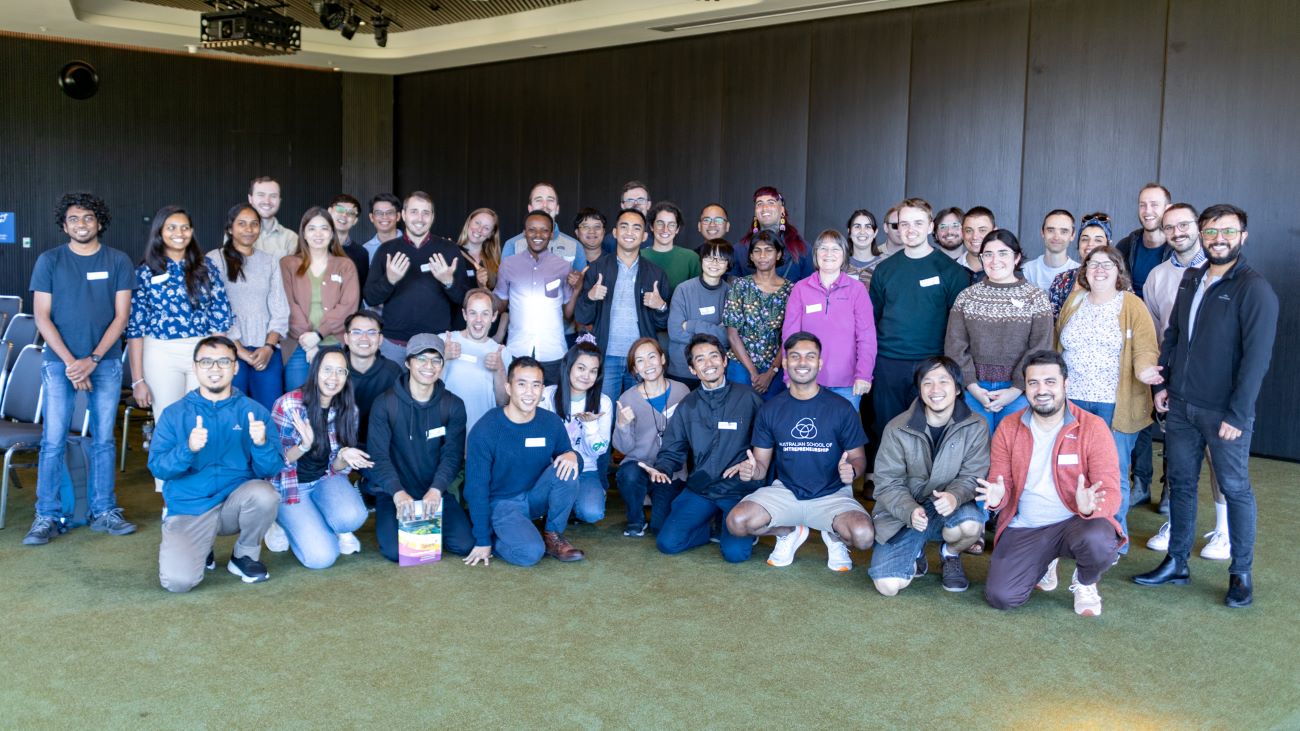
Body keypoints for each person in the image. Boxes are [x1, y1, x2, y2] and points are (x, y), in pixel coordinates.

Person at [1134, 204, 1278, 608]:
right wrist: (1163, 383)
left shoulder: (1254, 289)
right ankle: (1176, 562)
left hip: (1224, 413)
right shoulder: (1192, 278)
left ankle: (1240, 574)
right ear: (1202, 234)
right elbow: (1174, 335)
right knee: (1180, 484)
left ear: (1243, 236)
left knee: (1235, 488)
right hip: (1181, 405)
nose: (1219, 239)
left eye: (1228, 232)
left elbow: (1257, 360)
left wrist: (1238, 414)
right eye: (1212, 232)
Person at [23, 193, 136, 545]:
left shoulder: (118, 260)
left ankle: (104, 511)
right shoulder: (49, 261)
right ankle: (47, 515)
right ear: (64, 225)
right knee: (52, 440)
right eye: (73, 218)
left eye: (88, 218)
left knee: (103, 440)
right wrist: (74, 363)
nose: (81, 224)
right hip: (60, 365)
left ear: (99, 222)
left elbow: (122, 317)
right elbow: (42, 317)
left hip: (105, 362)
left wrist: (93, 360)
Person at [979, 350, 1123, 616]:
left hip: (1076, 523)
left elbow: (1112, 492)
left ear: (1066, 384)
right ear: (1025, 387)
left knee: (1099, 540)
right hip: (1027, 525)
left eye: (1050, 382)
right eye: (1033, 383)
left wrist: (1090, 508)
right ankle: (1045, 562)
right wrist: (998, 498)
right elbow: (1000, 482)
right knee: (1001, 597)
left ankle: (1085, 582)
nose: (1041, 390)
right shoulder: (1009, 427)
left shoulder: (1092, 427)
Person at [727, 332, 874, 571]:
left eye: (810, 356)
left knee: (863, 536)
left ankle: (833, 534)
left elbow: (858, 457)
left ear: (820, 363)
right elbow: (761, 465)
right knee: (737, 522)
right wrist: (752, 471)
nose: (802, 362)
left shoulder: (841, 408)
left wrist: (853, 471)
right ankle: (788, 532)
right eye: (795, 356)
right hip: (786, 492)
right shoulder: (770, 409)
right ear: (785, 363)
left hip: (831, 494)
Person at [152, 336, 283, 592]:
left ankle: (244, 555)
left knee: (265, 494)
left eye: (223, 361)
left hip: (234, 505)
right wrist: (188, 449)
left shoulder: (254, 412)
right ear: (195, 367)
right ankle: (203, 547)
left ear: (235, 367)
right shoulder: (174, 414)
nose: (215, 368)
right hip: (190, 507)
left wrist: (261, 444)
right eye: (206, 362)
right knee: (177, 583)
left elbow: (270, 470)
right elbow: (159, 468)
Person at [1055, 245, 1162, 553]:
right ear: (1085, 271)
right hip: (1072, 402)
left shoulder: (1131, 304)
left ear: (1119, 271)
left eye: (1107, 264)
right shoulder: (1074, 301)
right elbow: (1057, 343)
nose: (1099, 269)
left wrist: (1145, 370)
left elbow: (1146, 347)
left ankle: (1114, 539)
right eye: (1093, 263)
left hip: (1114, 405)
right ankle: (1073, 535)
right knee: (1071, 469)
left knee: (1112, 472)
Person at [127, 205, 233, 492]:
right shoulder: (145, 272)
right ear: (159, 232)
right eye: (171, 227)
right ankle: (169, 493)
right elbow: (135, 329)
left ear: (192, 231)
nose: (179, 233)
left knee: (203, 419)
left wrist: (220, 362)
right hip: (161, 353)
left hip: (202, 353)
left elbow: (220, 318)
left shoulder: (206, 267)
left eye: (185, 227)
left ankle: (200, 489)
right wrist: (137, 380)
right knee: (168, 422)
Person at [869, 357, 989, 595]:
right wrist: (909, 510)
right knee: (888, 586)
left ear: (957, 389)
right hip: (907, 511)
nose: (935, 389)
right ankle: (917, 550)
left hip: (950, 507)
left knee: (970, 526)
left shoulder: (976, 425)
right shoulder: (897, 428)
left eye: (943, 381)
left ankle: (950, 554)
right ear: (920, 389)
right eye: (927, 382)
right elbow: (887, 483)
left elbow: (972, 475)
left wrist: (954, 496)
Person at [640, 334, 764, 561]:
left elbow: (766, 445)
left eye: (714, 356)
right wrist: (662, 469)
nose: (709, 364)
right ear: (692, 369)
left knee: (735, 554)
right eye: (700, 359)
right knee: (667, 543)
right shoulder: (687, 406)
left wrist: (754, 467)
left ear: (724, 361)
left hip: (738, 490)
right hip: (702, 488)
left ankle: (734, 526)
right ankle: (708, 527)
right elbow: (672, 450)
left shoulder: (749, 398)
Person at [464, 357, 586, 567]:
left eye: (536, 385)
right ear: (508, 388)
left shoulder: (550, 422)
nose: (529, 392)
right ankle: (496, 537)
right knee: (530, 553)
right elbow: (476, 488)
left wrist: (573, 455)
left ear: (542, 390)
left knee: (568, 468)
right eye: (522, 384)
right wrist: (483, 540)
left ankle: (553, 536)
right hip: (502, 504)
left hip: (534, 497)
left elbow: (572, 463)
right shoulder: (486, 429)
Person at [367, 333, 476, 563]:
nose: (429, 366)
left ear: (442, 365)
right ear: (408, 363)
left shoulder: (453, 405)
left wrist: (437, 490)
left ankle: (441, 523)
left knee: (464, 544)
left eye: (436, 360)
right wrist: (397, 492)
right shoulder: (385, 404)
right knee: (395, 551)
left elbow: (452, 455)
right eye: (421, 359)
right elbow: (378, 456)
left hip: (434, 493)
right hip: (395, 493)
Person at [868, 198, 967, 444]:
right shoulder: (884, 270)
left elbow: (958, 327)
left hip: (932, 365)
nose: (910, 229)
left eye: (918, 223)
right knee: (886, 430)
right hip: (889, 364)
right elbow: (873, 318)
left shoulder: (951, 271)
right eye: (904, 224)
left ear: (931, 226)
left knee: (929, 432)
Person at [267, 348, 371, 568]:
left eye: (340, 371)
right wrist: (303, 446)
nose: (333, 378)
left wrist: (344, 455)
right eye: (327, 370)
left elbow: (336, 468)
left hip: (325, 478)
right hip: (290, 485)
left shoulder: (349, 409)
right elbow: (272, 462)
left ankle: (322, 521)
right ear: (315, 371)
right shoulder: (288, 404)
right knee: (321, 558)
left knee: (353, 516)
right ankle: (279, 522)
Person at [1143, 203, 1214, 525]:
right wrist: (1161, 380)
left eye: (1184, 225)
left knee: (1217, 457)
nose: (1177, 232)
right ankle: (1173, 512)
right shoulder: (1157, 276)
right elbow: (1155, 334)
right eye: (1170, 227)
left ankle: (1224, 528)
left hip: (1212, 379)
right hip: (1174, 376)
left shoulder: (1218, 270)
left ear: (1198, 226)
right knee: (1177, 448)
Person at [944, 229, 1054, 433]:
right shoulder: (967, 297)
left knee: (1012, 448)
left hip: (1019, 392)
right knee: (976, 448)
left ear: (1017, 257)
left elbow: (1041, 347)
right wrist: (973, 386)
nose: (995, 260)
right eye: (988, 254)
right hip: (974, 390)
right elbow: (955, 345)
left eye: (1003, 253)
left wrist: (1016, 388)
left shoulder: (1036, 298)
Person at [575, 209, 671, 402]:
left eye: (636, 228)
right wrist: (590, 297)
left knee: (641, 412)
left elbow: (662, 324)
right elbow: (582, 317)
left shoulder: (656, 273)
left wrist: (661, 306)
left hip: (642, 359)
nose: (629, 232)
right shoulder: (597, 269)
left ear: (644, 236)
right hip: (607, 355)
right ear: (615, 232)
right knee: (604, 410)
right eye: (624, 226)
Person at [363, 191, 469, 362]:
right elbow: (370, 298)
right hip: (394, 344)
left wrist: (448, 282)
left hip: (436, 344)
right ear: (404, 215)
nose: (420, 218)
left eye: (426, 212)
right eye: (414, 212)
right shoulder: (386, 250)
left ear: (433, 217)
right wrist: (389, 280)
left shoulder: (449, 249)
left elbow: (464, 300)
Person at [206, 203, 288, 410]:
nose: (249, 229)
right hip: (227, 348)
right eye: (241, 224)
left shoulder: (270, 261)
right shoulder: (214, 259)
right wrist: (239, 350)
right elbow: (213, 309)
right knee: (231, 411)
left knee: (268, 410)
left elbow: (280, 308)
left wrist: (269, 347)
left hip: (265, 349)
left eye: (254, 224)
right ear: (230, 228)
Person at [781, 229, 875, 410]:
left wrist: (864, 374)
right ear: (815, 254)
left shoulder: (857, 290)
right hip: (807, 379)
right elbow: (789, 336)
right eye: (823, 248)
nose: (828, 254)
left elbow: (866, 337)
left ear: (844, 254)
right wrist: (788, 374)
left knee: (844, 428)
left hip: (847, 383)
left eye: (835, 249)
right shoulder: (800, 289)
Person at [613, 338, 690, 536]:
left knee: (660, 527)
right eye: (640, 361)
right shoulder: (627, 398)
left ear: (662, 359)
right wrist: (622, 424)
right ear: (635, 369)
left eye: (652, 357)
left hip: (670, 470)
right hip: (639, 465)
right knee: (628, 474)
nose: (647, 364)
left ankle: (652, 499)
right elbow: (624, 448)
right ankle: (635, 519)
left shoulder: (682, 391)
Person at [279, 207, 361, 390]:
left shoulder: (345, 265)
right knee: (297, 398)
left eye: (324, 228)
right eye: (312, 228)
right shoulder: (288, 264)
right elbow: (288, 305)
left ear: (332, 234)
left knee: (332, 399)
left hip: (334, 343)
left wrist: (318, 335)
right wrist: (308, 343)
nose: (318, 234)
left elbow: (348, 306)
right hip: (297, 345)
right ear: (303, 234)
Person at [495, 211, 578, 385]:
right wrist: (483, 289)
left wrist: (577, 288)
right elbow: (501, 304)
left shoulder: (563, 267)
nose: (538, 235)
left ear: (551, 233)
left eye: (544, 230)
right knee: (517, 399)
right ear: (524, 232)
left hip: (553, 351)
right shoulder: (508, 265)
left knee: (552, 399)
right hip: (517, 349)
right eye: (532, 230)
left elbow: (568, 314)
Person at [539, 338, 612, 525]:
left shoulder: (603, 403)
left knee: (592, 513)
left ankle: (574, 501)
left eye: (593, 371)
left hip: (586, 469)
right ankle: (561, 502)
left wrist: (590, 426)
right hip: (551, 468)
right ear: (568, 366)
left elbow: (599, 450)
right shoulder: (547, 395)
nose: (586, 376)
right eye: (581, 368)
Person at [722, 231, 792, 402]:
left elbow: (789, 336)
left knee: (773, 414)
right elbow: (732, 334)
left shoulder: (791, 290)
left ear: (778, 254)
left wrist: (771, 373)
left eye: (768, 250)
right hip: (741, 366)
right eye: (757, 251)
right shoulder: (740, 285)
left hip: (775, 367)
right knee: (740, 413)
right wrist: (753, 373)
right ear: (751, 256)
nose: (762, 256)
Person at [442, 289, 510, 433]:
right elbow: (425, 389)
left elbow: (503, 402)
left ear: (494, 316)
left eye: (485, 313)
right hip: (446, 431)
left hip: (482, 433)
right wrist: (443, 357)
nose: (478, 320)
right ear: (464, 314)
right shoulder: (444, 341)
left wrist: (499, 369)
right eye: (473, 313)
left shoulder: (502, 352)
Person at [667, 240, 732, 389]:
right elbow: (675, 332)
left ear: (728, 264)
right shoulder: (683, 290)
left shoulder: (731, 293)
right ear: (701, 260)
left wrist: (692, 325)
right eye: (709, 257)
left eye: (721, 259)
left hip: (715, 370)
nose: (714, 263)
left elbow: (728, 337)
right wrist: (715, 331)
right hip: (683, 369)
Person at [340, 310, 403, 449]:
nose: (364, 338)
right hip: (337, 444)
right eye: (356, 332)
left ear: (380, 339)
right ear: (346, 338)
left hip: (379, 446)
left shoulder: (392, 372)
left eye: (371, 332)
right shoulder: (334, 368)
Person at [731, 186, 812, 281]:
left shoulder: (802, 248)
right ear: (755, 213)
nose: (765, 208)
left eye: (771, 202)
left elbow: (810, 286)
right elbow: (731, 284)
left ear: (782, 210)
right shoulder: (740, 249)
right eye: (759, 204)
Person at [502, 182, 585, 267]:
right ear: (530, 208)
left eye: (550, 200)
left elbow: (580, 275)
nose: (545, 205)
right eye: (538, 200)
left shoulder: (575, 246)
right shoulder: (512, 245)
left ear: (557, 208)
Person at [1114, 183, 1173, 299]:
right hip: (1129, 309)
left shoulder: (1178, 249)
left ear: (1168, 209)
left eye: (1154, 205)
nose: (1147, 211)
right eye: (1142, 205)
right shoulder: (1125, 246)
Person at [1048, 213, 1111, 317]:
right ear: (1078, 244)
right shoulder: (1061, 280)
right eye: (1085, 239)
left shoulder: (1119, 281)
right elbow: (1052, 322)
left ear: (1108, 245)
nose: (1090, 244)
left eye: (1098, 240)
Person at [642, 201, 702, 290]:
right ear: (651, 226)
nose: (665, 229)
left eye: (671, 225)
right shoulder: (639, 256)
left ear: (677, 229)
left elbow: (697, 294)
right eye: (660, 223)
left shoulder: (691, 258)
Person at [1021, 209, 1079, 292]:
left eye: (1064, 232)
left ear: (1072, 235)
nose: (1056, 237)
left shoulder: (1080, 273)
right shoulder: (1026, 271)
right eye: (1050, 230)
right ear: (1042, 232)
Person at [248, 176, 297, 259]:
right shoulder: (237, 233)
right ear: (250, 199)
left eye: (273, 196)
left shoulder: (291, 238)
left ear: (279, 201)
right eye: (261, 195)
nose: (267, 201)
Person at [601, 180, 653, 253]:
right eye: (630, 200)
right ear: (622, 205)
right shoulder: (609, 242)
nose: (635, 204)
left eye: (641, 200)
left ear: (648, 205)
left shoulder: (658, 238)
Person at [329, 194, 369, 289]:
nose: (344, 215)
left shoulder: (361, 253)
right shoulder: (315, 246)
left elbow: (360, 289)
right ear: (329, 212)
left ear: (355, 220)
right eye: (340, 209)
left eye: (351, 213)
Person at [844, 208, 881, 288]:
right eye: (857, 226)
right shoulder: (839, 265)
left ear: (875, 232)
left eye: (868, 227)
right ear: (849, 232)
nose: (862, 231)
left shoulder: (884, 266)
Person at [958, 206, 996, 282]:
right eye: (969, 231)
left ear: (994, 232)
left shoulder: (1007, 272)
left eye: (982, 230)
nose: (975, 237)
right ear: (962, 233)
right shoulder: (949, 269)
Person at [362, 193, 402, 263]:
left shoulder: (412, 244)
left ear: (398, 216)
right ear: (371, 217)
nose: (384, 217)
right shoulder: (365, 250)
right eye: (378, 213)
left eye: (390, 212)